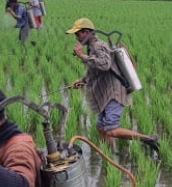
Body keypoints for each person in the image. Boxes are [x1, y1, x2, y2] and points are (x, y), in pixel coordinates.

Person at [66, 17, 161, 156]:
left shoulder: (99, 46)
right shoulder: (92, 47)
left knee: (110, 129)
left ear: (86, 32)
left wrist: (82, 56)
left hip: (115, 92)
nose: (76, 37)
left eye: (77, 34)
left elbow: (105, 65)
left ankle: (149, 139)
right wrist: (83, 80)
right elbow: (96, 70)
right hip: (106, 93)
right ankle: (111, 154)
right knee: (100, 127)